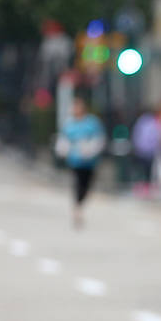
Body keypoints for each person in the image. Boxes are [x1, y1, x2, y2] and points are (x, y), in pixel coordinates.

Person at [55, 94, 105, 229]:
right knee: (77, 184)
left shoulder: (92, 123)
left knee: (87, 186)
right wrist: (63, 150)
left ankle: (80, 204)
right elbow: (63, 141)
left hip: (90, 162)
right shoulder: (69, 124)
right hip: (75, 161)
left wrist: (90, 150)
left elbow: (99, 140)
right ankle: (77, 209)